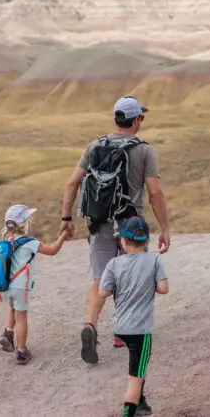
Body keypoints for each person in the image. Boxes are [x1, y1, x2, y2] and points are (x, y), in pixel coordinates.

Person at [59, 95, 171, 365]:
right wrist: (164, 228)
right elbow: (155, 193)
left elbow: (72, 183)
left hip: (99, 223)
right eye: (141, 117)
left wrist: (66, 217)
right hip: (130, 224)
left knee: (100, 278)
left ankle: (90, 325)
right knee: (133, 276)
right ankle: (124, 332)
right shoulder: (144, 150)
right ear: (135, 121)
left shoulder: (94, 144)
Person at [98, 216, 169, 417]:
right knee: (135, 377)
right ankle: (129, 411)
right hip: (141, 330)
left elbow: (103, 292)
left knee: (138, 365)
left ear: (122, 240)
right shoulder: (154, 260)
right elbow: (164, 289)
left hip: (120, 329)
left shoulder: (113, 263)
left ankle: (141, 403)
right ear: (147, 241)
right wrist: (148, 284)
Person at [0, 204, 68, 365]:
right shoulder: (30, 242)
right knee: (21, 318)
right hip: (21, 287)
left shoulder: (5, 242)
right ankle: (21, 351)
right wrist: (62, 236)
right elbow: (53, 250)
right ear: (25, 223)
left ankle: (7, 332)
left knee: (13, 309)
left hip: (6, 286)